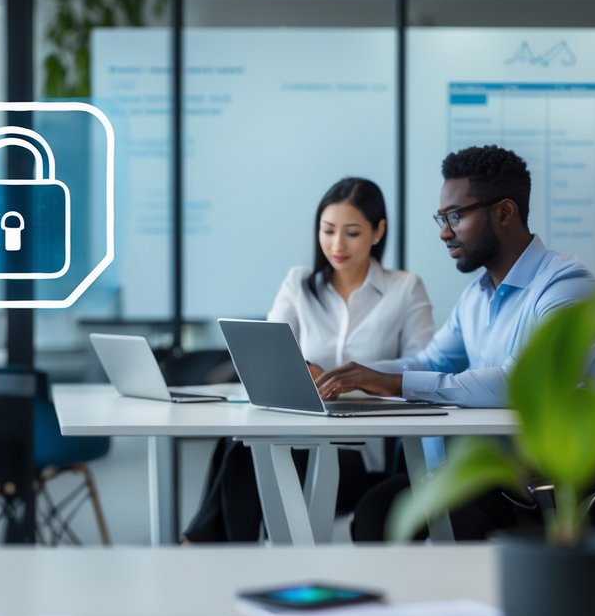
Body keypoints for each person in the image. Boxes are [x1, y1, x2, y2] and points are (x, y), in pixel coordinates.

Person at [312, 145, 595, 541]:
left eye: (456, 216)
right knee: (375, 509)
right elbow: (432, 361)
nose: (444, 231)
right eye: (442, 217)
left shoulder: (566, 286)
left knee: (396, 516)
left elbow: (522, 383)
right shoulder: (477, 295)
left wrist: (394, 384)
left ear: (504, 213)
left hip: (534, 490)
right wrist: (349, 376)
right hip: (472, 477)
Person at [182, 177, 435, 542]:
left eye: (351, 232)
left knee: (245, 454)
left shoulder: (404, 288)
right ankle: (218, 549)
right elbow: (267, 356)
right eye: (328, 230)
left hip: (360, 453)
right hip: (296, 431)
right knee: (240, 445)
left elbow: (424, 369)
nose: (337, 245)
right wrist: (304, 373)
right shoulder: (299, 284)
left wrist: (356, 380)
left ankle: (207, 547)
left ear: (378, 231)